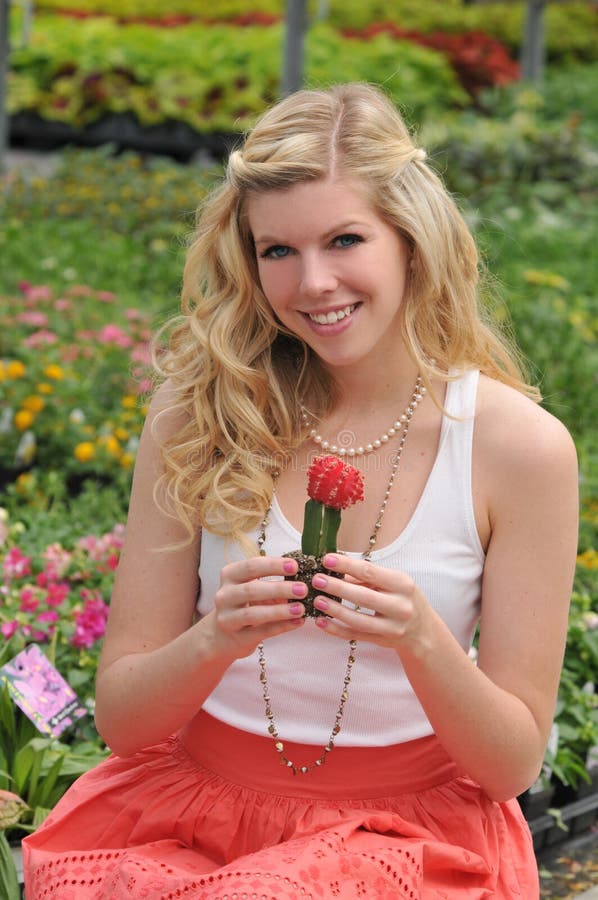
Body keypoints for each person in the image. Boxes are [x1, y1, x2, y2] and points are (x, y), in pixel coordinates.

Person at [23, 82, 578, 899]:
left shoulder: (516, 449)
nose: (313, 282)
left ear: (411, 241)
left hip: (404, 840)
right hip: (193, 823)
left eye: (345, 239)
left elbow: (510, 766)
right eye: (276, 250)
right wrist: (216, 635)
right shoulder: (199, 416)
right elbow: (124, 720)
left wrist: (423, 638)